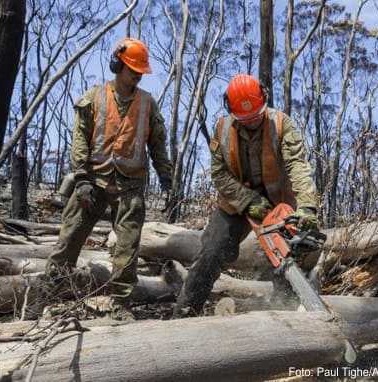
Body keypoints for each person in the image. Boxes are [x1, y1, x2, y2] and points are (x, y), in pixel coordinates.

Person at [45, 38, 172, 320]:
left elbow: (158, 145)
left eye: (140, 72)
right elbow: (79, 141)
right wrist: (81, 178)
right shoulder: (94, 98)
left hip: (131, 185)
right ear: (117, 65)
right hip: (93, 180)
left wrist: (166, 176)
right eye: (132, 70)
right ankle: (51, 295)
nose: (136, 76)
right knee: (68, 240)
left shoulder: (148, 104)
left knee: (127, 249)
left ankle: (121, 305)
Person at [173, 74, 319, 317]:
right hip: (235, 202)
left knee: (289, 254)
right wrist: (247, 200)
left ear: (264, 100)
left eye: (255, 117)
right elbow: (219, 175)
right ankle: (185, 313)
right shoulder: (222, 128)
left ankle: (285, 314)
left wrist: (307, 207)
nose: (251, 122)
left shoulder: (282, 124)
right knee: (212, 250)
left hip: (278, 201)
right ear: (232, 110)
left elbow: (298, 166)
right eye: (245, 119)